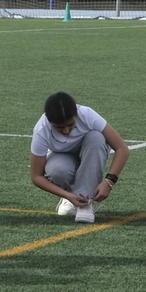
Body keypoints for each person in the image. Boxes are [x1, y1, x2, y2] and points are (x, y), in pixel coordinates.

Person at [30, 92, 130, 223]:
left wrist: (109, 182)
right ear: (49, 122)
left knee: (96, 137)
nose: (66, 131)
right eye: (59, 127)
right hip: (63, 159)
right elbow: (36, 176)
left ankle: (85, 203)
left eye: (71, 124)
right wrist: (66, 195)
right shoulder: (41, 129)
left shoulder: (87, 114)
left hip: (91, 152)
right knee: (56, 169)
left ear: (76, 114)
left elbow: (122, 149)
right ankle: (73, 197)